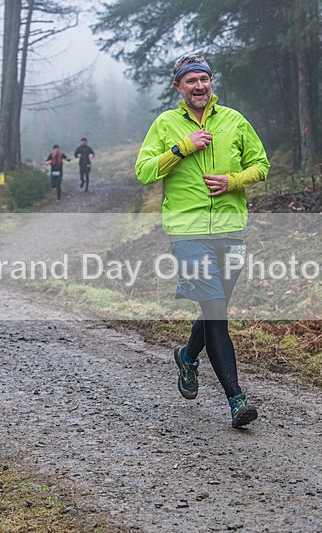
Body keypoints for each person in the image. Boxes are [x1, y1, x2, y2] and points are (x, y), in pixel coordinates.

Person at [135, 55, 270, 428]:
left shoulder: (233, 120)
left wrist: (234, 181)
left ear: (211, 83)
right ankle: (237, 399)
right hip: (188, 233)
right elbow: (144, 171)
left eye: (204, 79)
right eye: (191, 80)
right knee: (216, 311)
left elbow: (262, 164)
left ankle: (188, 356)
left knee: (216, 308)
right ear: (178, 87)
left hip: (230, 230)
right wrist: (182, 147)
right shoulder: (165, 124)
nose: (199, 86)